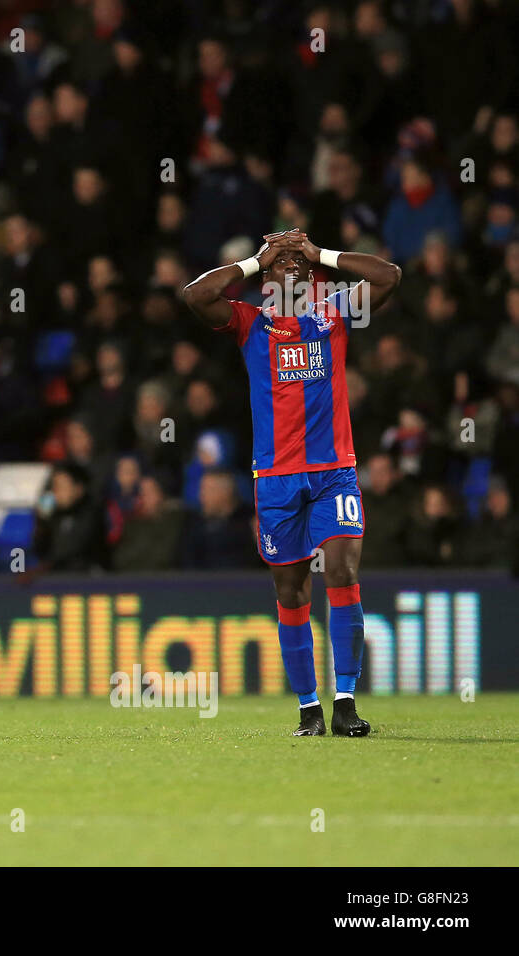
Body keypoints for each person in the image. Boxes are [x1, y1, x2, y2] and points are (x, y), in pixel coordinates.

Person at [181, 227, 401, 737]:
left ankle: (345, 703)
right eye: (280, 267)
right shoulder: (250, 323)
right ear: (265, 280)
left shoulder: (334, 312)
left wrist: (317, 252)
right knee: (292, 589)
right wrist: (256, 261)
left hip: (333, 473)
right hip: (276, 478)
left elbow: (389, 276)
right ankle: (308, 709)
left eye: (299, 267)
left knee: (343, 572)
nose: (291, 270)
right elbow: (195, 295)